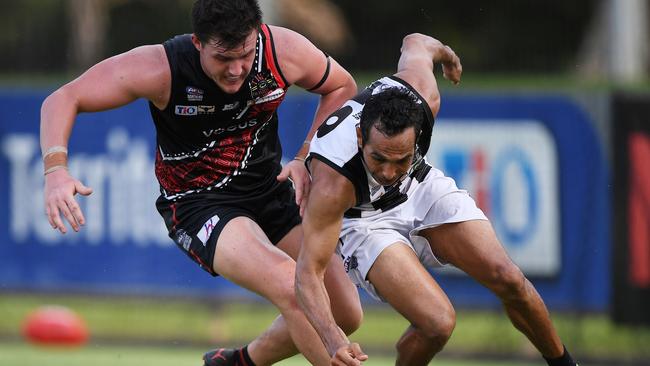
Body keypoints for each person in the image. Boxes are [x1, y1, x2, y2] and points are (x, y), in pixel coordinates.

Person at [40, 0, 362, 365]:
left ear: (257, 36)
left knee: (345, 312)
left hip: (270, 190)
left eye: (244, 54)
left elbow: (341, 87)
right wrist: (55, 171)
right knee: (295, 288)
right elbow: (63, 98)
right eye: (223, 58)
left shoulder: (281, 50)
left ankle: (238, 362)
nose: (237, 69)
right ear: (198, 43)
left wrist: (306, 158)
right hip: (197, 205)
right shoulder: (161, 67)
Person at [295, 33, 579, 366]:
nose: (388, 172)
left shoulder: (424, 95)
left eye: (400, 158)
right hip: (363, 219)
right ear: (360, 137)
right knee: (438, 322)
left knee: (509, 278)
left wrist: (447, 55)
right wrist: (334, 342)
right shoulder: (334, 181)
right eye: (378, 159)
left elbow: (416, 42)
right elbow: (307, 275)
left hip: (419, 187)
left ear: (418, 134)